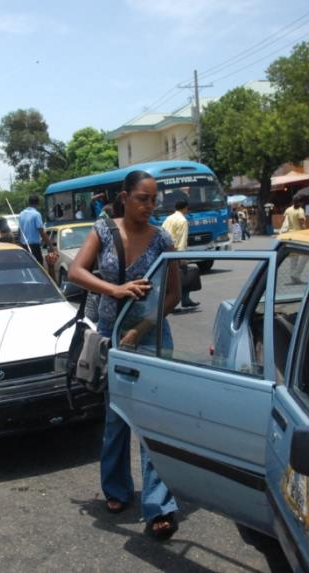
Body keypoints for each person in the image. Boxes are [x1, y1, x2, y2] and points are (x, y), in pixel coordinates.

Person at [68, 170, 181, 541]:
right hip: (111, 338)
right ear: (125, 196)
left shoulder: (163, 238)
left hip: (151, 340)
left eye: (153, 200)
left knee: (153, 422)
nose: (149, 206)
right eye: (142, 199)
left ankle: (159, 505)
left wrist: (141, 328)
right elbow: (76, 272)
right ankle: (116, 489)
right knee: (116, 419)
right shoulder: (102, 230)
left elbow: (173, 295)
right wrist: (115, 290)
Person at [161, 199, 199, 309]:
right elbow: (182, 240)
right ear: (185, 208)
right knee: (183, 276)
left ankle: (181, 301)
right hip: (176, 253)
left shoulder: (169, 218)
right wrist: (182, 257)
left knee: (170, 279)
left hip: (165, 251)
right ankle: (182, 301)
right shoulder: (182, 220)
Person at [18, 194, 54, 265]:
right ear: (38, 203)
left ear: (29, 202)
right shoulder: (36, 214)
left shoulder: (21, 213)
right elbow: (42, 232)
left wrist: (20, 244)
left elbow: (19, 230)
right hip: (34, 247)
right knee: (38, 267)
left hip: (24, 246)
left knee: (27, 266)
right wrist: (50, 245)